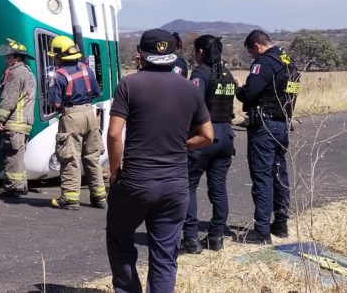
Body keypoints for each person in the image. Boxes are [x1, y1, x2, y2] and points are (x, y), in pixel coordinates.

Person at [105, 29, 214, 293]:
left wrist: (115, 170)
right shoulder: (189, 89)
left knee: (119, 238)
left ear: (141, 54)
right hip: (175, 183)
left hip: (137, 179)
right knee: (165, 253)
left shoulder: (129, 85)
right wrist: (181, 145)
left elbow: (114, 134)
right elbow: (207, 136)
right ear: (172, 53)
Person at [236, 30, 299, 244]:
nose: (252, 57)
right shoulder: (288, 61)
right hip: (283, 123)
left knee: (262, 176)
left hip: (264, 125)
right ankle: (281, 224)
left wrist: (240, 90)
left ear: (257, 46)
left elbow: (250, 92)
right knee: (279, 173)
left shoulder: (264, 63)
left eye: (251, 53)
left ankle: (261, 230)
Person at [181, 35, 238, 253]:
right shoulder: (227, 74)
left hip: (204, 136)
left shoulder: (200, 73)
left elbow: (192, 104)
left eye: (195, 51)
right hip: (225, 136)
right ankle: (216, 237)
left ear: (201, 52)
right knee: (219, 188)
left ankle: (191, 238)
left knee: (189, 185)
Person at [47, 35, 106, 210]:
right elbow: (97, 92)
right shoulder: (87, 70)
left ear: (59, 56)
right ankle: (99, 196)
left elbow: (56, 103)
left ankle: (70, 198)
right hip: (90, 114)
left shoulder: (58, 75)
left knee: (70, 157)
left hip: (71, 116)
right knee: (92, 157)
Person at [0, 38, 35, 197]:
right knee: (19, 155)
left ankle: (12, 187)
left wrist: (0, 119)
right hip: (24, 121)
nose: (6, 60)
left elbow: (9, 99)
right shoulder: (28, 72)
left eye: (8, 57)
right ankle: (21, 185)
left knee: (12, 156)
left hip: (15, 121)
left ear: (16, 58)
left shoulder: (15, 73)